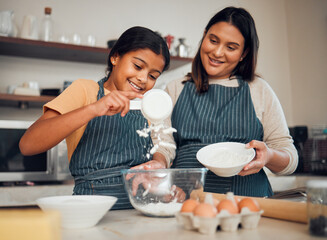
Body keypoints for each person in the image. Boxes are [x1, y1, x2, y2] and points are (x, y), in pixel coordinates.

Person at [19, 26, 172, 209]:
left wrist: (158, 162)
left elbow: (162, 145)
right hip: (91, 209)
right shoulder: (85, 91)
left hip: (141, 208)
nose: (142, 78)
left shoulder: (149, 104)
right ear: (115, 57)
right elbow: (28, 145)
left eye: (152, 76)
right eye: (138, 66)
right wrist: (94, 108)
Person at [165, 7, 298, 197]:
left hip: (251, 205)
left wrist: (269, 156)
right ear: (204, 36)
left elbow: (290, 160)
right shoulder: (175, 88)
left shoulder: (259, 90)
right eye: (213, 40)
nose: (217, 52)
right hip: (186, 206)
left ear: (244, 53)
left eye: (231, 47)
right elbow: (164, 148)